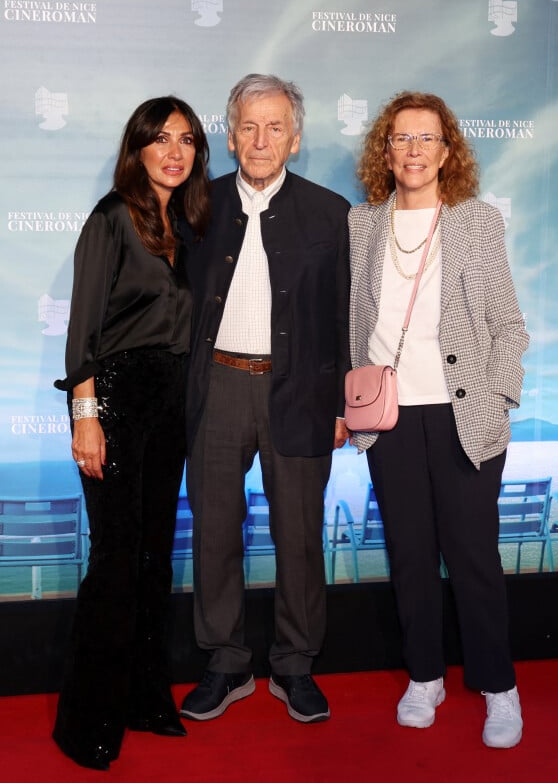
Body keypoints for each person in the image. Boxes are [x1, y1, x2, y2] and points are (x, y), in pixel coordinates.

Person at [348, 91, 529, 748]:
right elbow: (352, 324)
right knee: (412, 556)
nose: (414, 150)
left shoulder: (476, 222)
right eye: (401, 138)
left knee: (474, 555)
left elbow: (509, 325)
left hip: (464, 416)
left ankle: (498, 685)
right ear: (386, 151)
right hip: (390, 419)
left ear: (447, 151)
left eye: (427, 138)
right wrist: (351, 401)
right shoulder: (361, 224)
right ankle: (424, 675)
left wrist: (499, 395)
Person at [180, 73, 350, 725]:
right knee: (214, 529)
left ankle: (296, 663)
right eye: (248, 125)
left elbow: (343, 318)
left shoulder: (331, 212)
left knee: (300, 535)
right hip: (217, 386)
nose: (261, 138)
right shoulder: (198, 205)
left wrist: (338, 402)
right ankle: (224, 660)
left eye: (275, 126)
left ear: (296, 138)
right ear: (229, 136)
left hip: (301, 390)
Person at [52, 96, 210, 770]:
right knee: (116, 561)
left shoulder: (195, 224)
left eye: (188, 140)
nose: (175, 151)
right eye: (161, 138)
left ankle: (146, 698)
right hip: (115, 399)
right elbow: (82, 331)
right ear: (138, 147)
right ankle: (87, 719)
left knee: (153, 558)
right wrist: (87, 422)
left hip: (172, 403)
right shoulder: (112, 218)